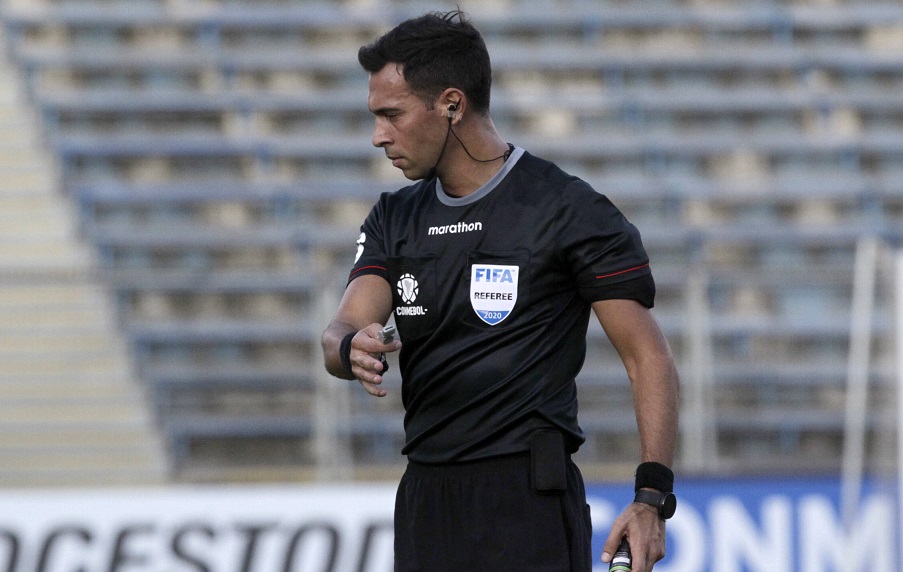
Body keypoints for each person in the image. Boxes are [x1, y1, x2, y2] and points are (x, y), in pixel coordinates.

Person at [321, 10, 680, 572]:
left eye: (391, 114)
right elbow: (339, 331)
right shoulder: (394, 218)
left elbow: (647, 356)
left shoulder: (565, 209)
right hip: (425, 500)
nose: (378, 136)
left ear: (452, 104)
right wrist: (350, 348)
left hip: (526, 500)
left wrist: (651, 497)